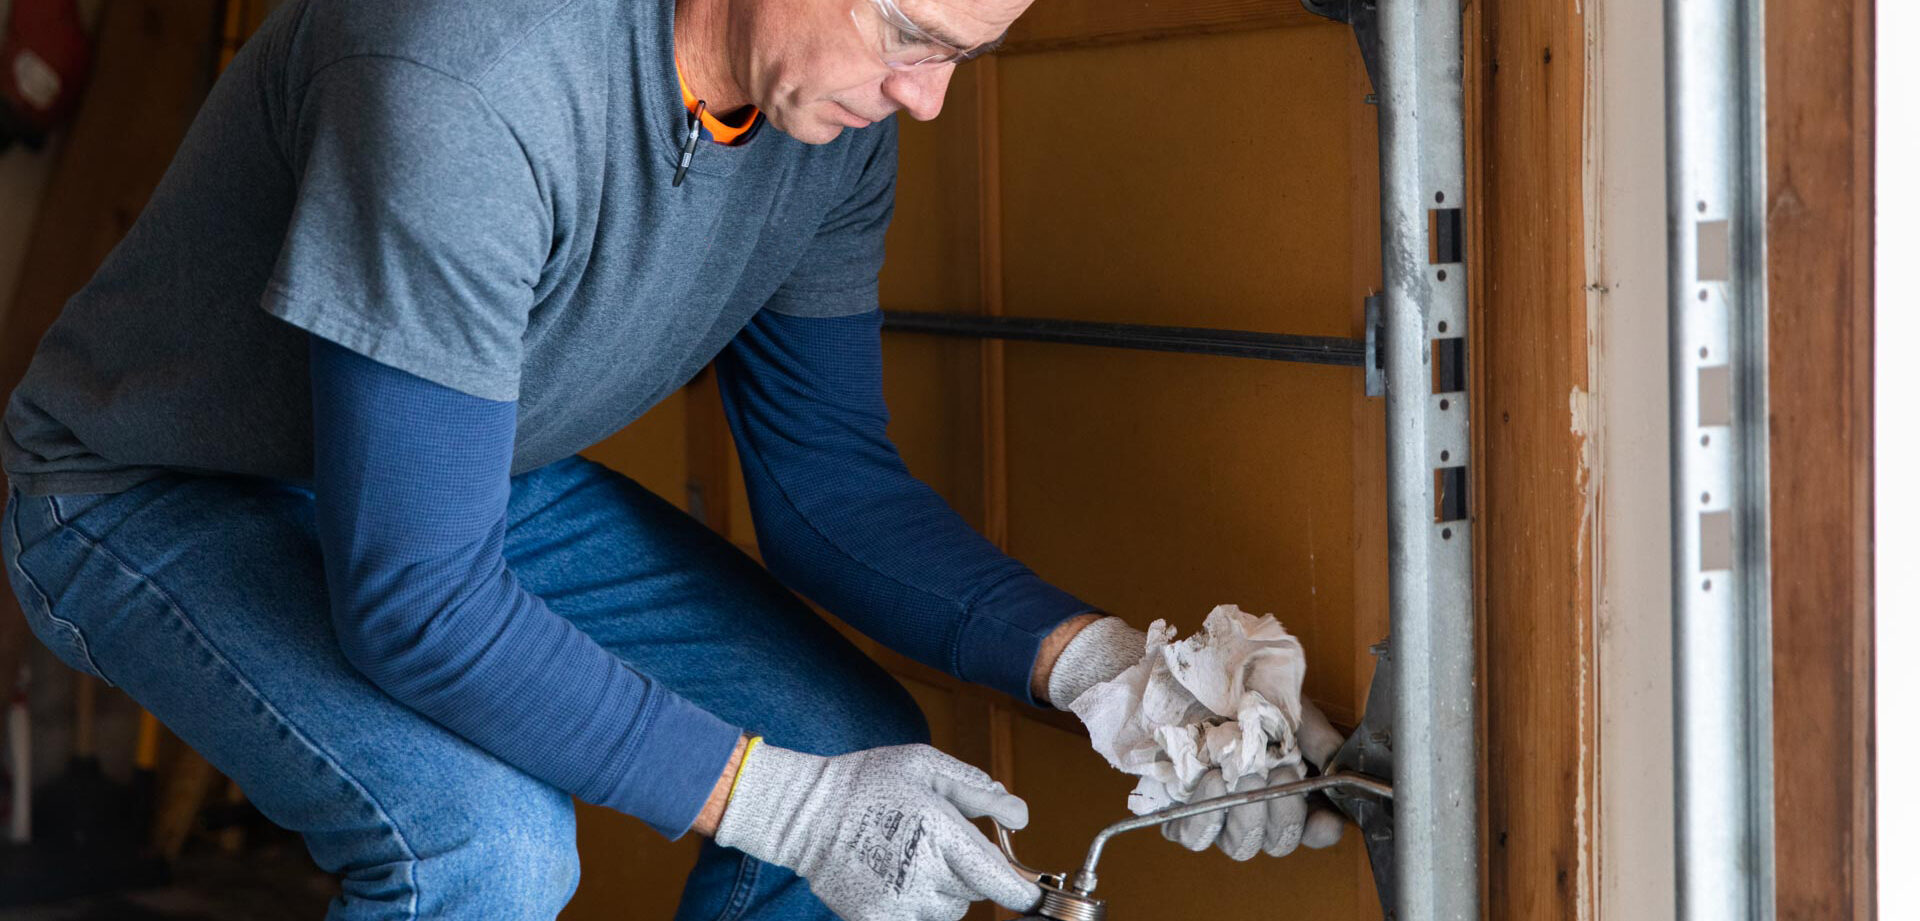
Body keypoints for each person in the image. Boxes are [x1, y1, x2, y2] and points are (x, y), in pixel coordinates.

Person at [0, 0, 1342, 918]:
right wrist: (786, 808)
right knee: (488, 843)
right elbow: (414, 599)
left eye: (965, 56)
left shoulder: (837, 129)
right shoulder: (470, 75)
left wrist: (1110, 671)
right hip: (153, 485)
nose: (927, 99)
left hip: (473, 470)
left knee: (855, 740)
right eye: (912, 35)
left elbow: (827, 483)